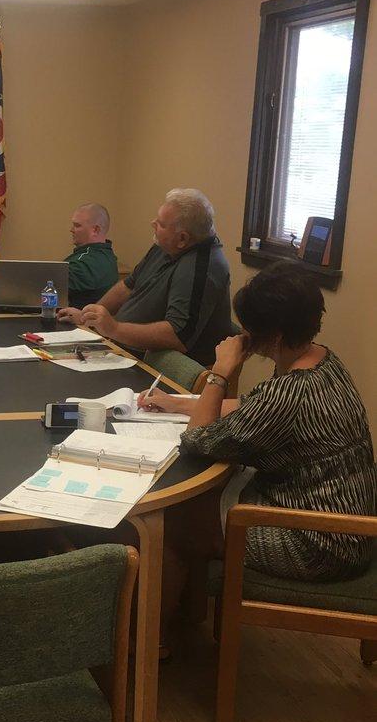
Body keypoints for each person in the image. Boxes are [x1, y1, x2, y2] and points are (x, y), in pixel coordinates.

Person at [140, 261, 375, 631]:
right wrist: (177, 403)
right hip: (348, 524)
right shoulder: (322, 360)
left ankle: (150, 641)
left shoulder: (290, 395)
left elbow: (196, 440)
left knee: (172, 520)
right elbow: (255, 405)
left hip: (319, 543)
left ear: (275, 336)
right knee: (199, 498)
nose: (242, 332)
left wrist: (221, 371)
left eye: (249, 326)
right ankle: (182, 616)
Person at [57, 188, 232, 367]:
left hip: (154, 368)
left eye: (161, 224)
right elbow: (128, 285)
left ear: (182, 239)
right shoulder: (164, 245)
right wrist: (89, 316)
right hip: (121, 350)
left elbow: (176, 336)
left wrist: (114, 328)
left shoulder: (203, 267)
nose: (153, 224)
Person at [63, 203, 120, 306]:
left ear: (95, 230)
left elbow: (48, 289)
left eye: (77, 225)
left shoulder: (86, 263)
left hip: (78, 320)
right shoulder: (107, 255)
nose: (71, 230)